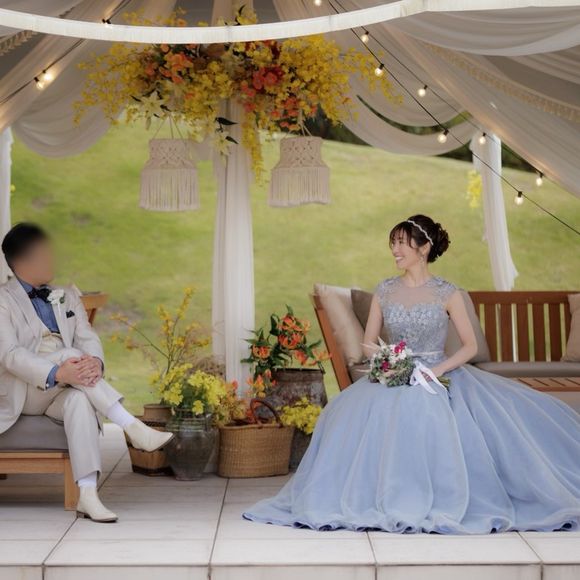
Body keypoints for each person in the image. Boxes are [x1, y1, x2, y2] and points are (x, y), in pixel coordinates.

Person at [242, 214, 580, 534]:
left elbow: (470, 346)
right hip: (395, 372)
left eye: (402, 243)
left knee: (433, 412)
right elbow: (368, 344)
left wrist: (436, 371)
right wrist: (391, 361)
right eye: (393, 243)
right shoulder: (385, 290)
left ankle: (446, 496)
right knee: (346, 413)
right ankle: (380, 497)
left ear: (424, 248)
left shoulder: (448, 292)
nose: (395, 250)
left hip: (438, 373)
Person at [0, 222, 174, 523]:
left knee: (79, 400)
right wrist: (58, 372)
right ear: (23, 261)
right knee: (70, 354)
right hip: (23, 390)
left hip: (65, 388)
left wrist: (95, 362)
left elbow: (88, 336)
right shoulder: (2, 300)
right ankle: (131, 426)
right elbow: (10, 356)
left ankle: (88, 494)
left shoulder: (66, 295)